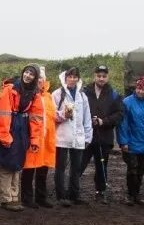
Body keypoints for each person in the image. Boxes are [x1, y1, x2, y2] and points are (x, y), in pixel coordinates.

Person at [0, 65, 38, 211]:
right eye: (27, 72)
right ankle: (6, 199)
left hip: (21, 128)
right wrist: (4, 137)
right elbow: (3, 114)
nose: (28, 75)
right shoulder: (10, 90)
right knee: (7, 165)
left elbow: (35, 117)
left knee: (17, 165)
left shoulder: (32, 92)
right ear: (22, 73)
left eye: (31, 74)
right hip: (10, 128)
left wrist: (34, 138)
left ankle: (14, 197)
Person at [79, 64, 124, 204]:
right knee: (79, 164)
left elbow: (119, 114)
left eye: (104, 76)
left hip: (104, 136)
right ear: (95, 76)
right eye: (99, 76)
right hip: (86, 136)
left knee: (102, 166)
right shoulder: (84, 91)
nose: (101, 78)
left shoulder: (114, 94)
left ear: (107, 77)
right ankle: (72, 190)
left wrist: (103, 121)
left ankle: (100, 191)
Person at [51, 67, 93, 206]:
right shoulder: (57, 94)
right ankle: (61, 195)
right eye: (70, 76)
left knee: (76, 167)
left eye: (75, 77)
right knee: (61, 167)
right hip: (62, 136)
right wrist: (64, 115)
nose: (73, 79)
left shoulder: (82, 96)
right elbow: (52, 115)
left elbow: (86, 117)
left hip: (78, 137)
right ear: (65, 77)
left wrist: (88, 136)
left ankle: (74, 194)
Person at [117, 75, 144, 205]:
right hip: (131, 142)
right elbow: (123, 124)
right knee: (132, 169)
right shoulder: (127, 102)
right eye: (139, 88)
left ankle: (137, 194)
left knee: (141, 169)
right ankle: (130, 194)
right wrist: (123, 142)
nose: (141, 91)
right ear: (135, 88)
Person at [23, 67, 58, 208]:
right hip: (32, 136)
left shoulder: (48, 96)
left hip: (46, 138)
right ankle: (27, 198)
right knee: (29, 168)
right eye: (37, 78)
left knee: (43, 169)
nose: (39, 81)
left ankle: (41, 197)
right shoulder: (28, 95)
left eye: (41, 78)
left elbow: (53, 116)